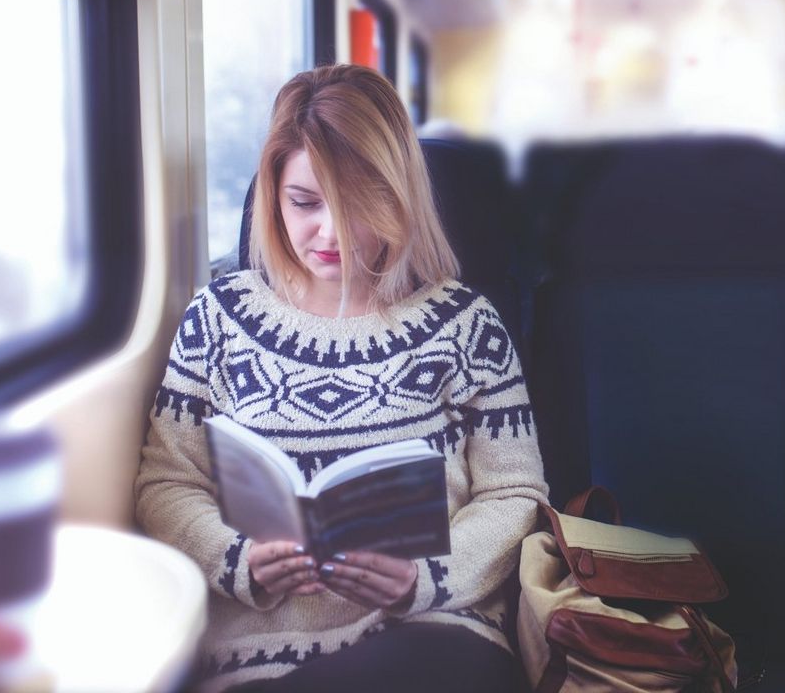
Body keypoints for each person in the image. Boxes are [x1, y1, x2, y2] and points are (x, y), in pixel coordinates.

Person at [134, 64, 549, 693]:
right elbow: (168, 483)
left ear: (397, 197)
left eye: (356, 206)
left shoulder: (466, 325)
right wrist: (238, 561)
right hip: (258, 650)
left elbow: (515, 492)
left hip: (433, 634)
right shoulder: (215, 320)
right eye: (304, 202)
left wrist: (425, 576)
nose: (327, 233)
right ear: (272, 192)